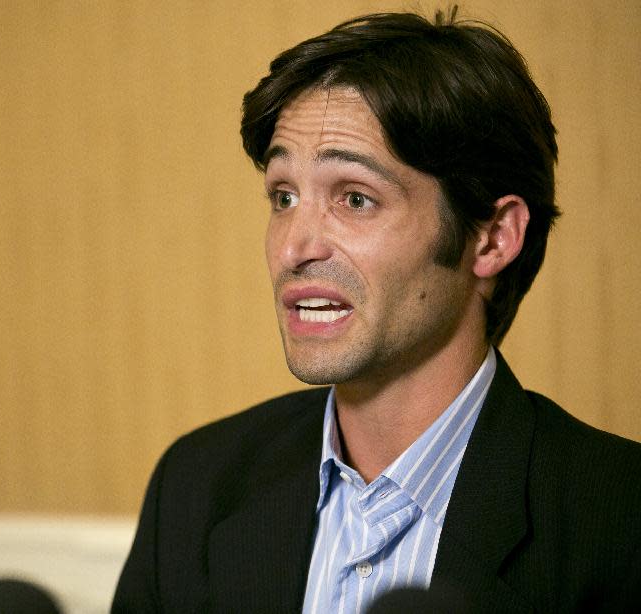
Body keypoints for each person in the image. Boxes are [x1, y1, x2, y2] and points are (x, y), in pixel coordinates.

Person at [112, 10, 641, 613]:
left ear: (492, 238)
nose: (292, 248)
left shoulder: (621, 521)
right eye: (283, 197)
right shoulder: (195, 489)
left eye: (355, 198)